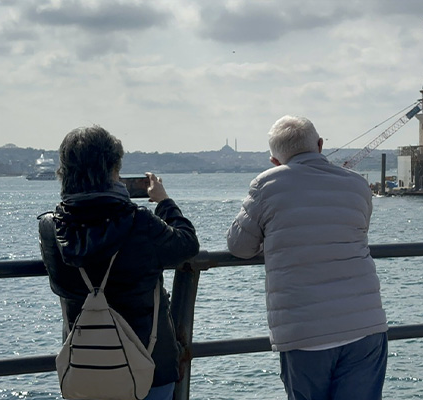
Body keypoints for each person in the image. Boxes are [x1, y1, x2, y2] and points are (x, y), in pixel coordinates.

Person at [226, 115, 388, 400]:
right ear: (321, 146)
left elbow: (239, 246)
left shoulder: (266, 184)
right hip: (366, 326)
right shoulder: (357, 185)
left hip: (305, 333)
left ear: (275, 161)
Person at [38, 126, 199, 400]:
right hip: (150, 365)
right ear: (114, 170)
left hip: (85, 367)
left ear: (64, 171)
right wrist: (164, 202)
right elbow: (187, 245)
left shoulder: (50, 228)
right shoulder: (141, 223)